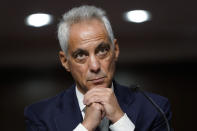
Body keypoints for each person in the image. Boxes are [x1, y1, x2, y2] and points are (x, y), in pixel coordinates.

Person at [24, 5, 173, 131]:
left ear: (115, 50)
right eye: (81, 55)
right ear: (65, 61)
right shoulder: (41, 115)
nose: (95, 66)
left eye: (102, 51)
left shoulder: (154, 108)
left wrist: (119, 120)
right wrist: (86, 126)